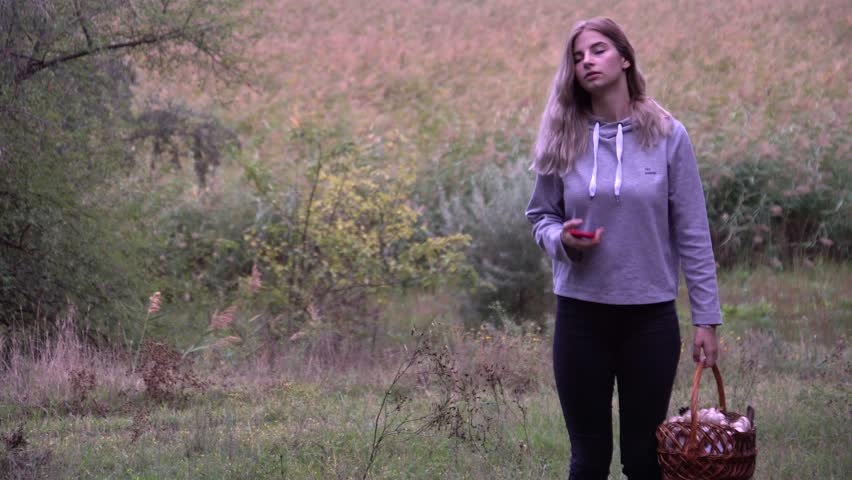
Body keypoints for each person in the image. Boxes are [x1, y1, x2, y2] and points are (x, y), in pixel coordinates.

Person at [525, 17, 722, 480]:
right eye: (577, 57)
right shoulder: (563, 134)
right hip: (580, 317)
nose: (586, 62)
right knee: (588, 459)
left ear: (624, 57)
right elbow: (540, 216)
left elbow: (694, 231)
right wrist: (562, 240)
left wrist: (706, 320)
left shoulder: (669, 135)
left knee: (643, 458)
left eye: (597, 50)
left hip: (649, 319)